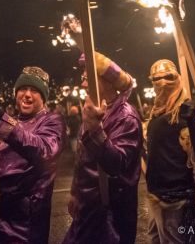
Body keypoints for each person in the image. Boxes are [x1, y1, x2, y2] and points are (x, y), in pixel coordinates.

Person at [0, 66, 65, 243]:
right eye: (23, 88)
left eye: (35, 90)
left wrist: (1, 120)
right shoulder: (6, 122)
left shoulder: (52, 121)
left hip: (23, 229)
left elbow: (44, 151)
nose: (27, 94)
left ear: (44, 97)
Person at [63, 52, 142, 244]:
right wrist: (75, 192)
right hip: (88, 209)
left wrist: (95, 130)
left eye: (87, 78)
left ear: (106, 82)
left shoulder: (126, 117)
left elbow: (117, 164)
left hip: (111, 216)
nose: (83, 85)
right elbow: (81, 157)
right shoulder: (93, 108)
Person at [144, 59, 195, 244]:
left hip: (176, 198)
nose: (163, 82)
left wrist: (193, 122)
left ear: (177, 78)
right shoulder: (156, 113)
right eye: (157, 78)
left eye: (168, 77)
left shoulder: (184, 112)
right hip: (155, 194)